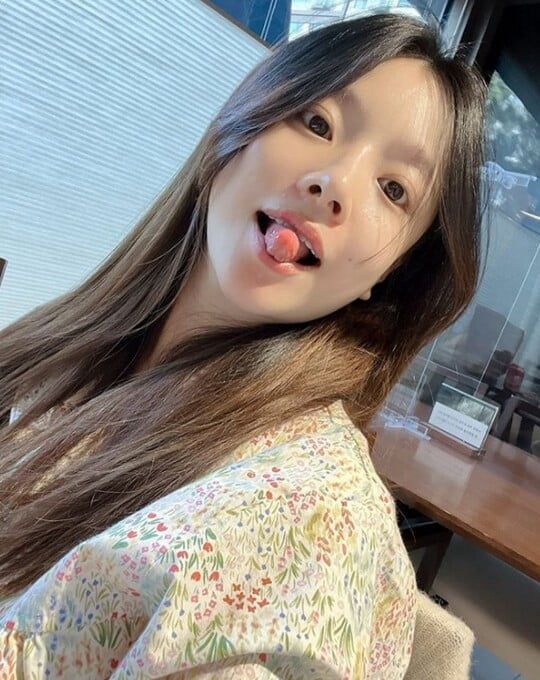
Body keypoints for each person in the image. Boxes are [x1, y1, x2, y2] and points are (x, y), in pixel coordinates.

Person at [0, 11, 488, 679]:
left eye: (394, 189)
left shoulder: (312, 524)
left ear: (393, 273)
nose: (334, 184)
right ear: (239, 125)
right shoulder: (81, 352)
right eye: (318, 123)